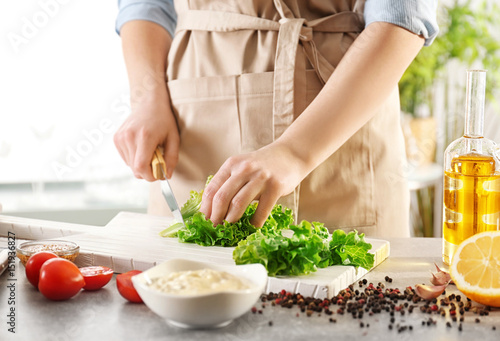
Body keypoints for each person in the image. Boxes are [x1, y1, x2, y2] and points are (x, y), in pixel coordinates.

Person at [113, 0, 439, 238]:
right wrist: (146, 97)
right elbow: (144, 5)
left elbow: (402, 16)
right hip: (195, 135)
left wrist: (295, 152)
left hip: (341, 138)